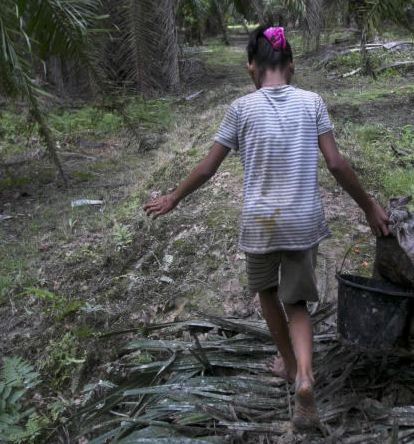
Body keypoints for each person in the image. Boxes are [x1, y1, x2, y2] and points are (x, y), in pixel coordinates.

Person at [144, 25, 390, 430]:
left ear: (251, 69)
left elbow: (208, 167)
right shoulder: (312, 102)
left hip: (260, 224)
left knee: (267, 295)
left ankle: (290, 368)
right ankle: (306, 378)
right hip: (302, 221)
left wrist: (174, 197)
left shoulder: (240, 109)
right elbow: (336, 163)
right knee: (298, 305)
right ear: (291, 67)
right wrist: (369, 207)